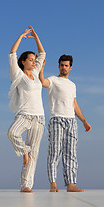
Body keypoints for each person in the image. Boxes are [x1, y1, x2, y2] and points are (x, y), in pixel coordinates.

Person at [39, 54, 92, 192]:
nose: (63, 67)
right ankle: (53, 183)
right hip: (57, 119)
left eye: (66, 65)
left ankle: (71, 184)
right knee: (55, 152)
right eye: (61, 65)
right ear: (59, 66)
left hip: (71, 121)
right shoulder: (53, 80)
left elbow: (74, 105)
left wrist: (84, 121)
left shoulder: (72, 85)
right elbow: (43, 82)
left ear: (70, 67)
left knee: (71, 153)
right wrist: (41, 68)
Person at [7, 26, 46, 193]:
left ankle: (26, 185)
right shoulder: (18, 75)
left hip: (39, 117)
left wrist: (36, 37)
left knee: (35, 155)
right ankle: (24, 151)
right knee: (12, 133)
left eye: (33, 59)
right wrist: (21, 36)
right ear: (23, 62)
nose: (33, 61)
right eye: (30, 59)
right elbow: (11, 54)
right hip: (24, 115)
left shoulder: (36, 75)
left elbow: (43, 55)